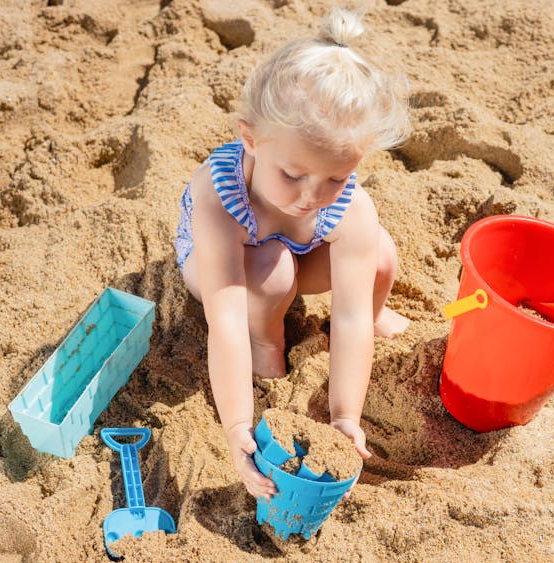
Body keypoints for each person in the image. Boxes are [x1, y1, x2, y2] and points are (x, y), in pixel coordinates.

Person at [173, 7, 411, 499]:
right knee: (273, 274)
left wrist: (345, 414)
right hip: (223, 267)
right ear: (251, 139)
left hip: (297, 250)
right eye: (293, 175)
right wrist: (238, 426)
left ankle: (380, 312)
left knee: (380, 254)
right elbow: (225, 320)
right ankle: (269, 345)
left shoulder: (347, 205)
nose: (310, 195)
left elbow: (346, 319)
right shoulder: (218, 196)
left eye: (335, 178)